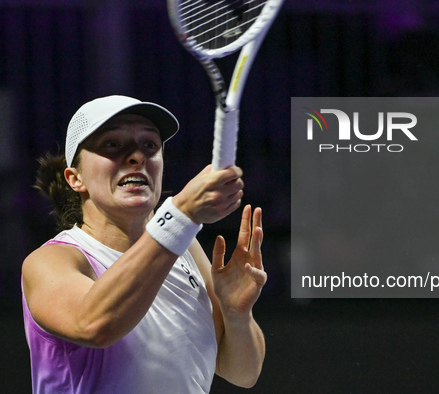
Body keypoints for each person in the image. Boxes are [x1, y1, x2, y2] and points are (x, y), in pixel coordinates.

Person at [21, 95, 267, 393]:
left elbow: (243, 373)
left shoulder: (185, 249)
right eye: (112, 145)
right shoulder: (53, 261)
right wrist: (181, 214)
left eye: (150, 145)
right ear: (76, 178)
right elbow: (94, 325)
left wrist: (236, 315)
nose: (137, 156)